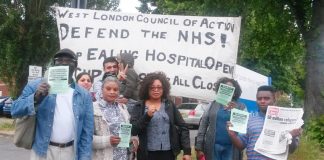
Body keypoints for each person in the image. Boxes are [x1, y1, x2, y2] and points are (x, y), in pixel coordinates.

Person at [11, 48, 94, 160]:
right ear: (54, 64)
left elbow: (87, 132)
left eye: (69, 60)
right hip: (43, 151)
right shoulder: (37, 85)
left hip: (70, 152)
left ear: (75, 65)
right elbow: (15, 110)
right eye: (59, 60)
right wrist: (35, 98)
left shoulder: (84, 95)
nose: (64, 63)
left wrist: (84, 157)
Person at [227, 85, 302, 159]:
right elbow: (241, 146)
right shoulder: (249, 119)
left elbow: (292, 150)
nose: (262, 101)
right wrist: (232, 135)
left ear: (274, 100)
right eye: (259, 99)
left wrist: (293, 136)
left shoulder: (287, 120)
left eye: (266, 98)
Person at [129, 72, 191, 160]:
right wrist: (147, 116)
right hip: (147, 154)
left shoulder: (169, 105)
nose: (156, 90)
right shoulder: (139, 106)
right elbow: (133, 130)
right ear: (147, 89)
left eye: (159, 87)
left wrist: (187, 152)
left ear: (164, 88)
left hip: (168, 153)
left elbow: (183, 127)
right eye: (152, 88)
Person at [195, 77, 245, 160]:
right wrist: (199, 146)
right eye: (224, 88)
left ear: (235, 92)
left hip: (232, 148)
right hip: (213, 147)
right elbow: (202, 126)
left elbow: (244, 129)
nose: (227, 90)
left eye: (230, 88)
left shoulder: (241, 107)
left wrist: (235, 111)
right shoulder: (212, 105)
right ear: (219, 90)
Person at [92, 76, 139, 160]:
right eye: (108, 89)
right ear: (102, 90)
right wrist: (107, 141)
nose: (112, 92)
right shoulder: (93, 109)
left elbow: (128, 133)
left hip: (124, 157)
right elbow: (86, 139)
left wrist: (134, 141)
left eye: (115, 89)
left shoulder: (123, 108)